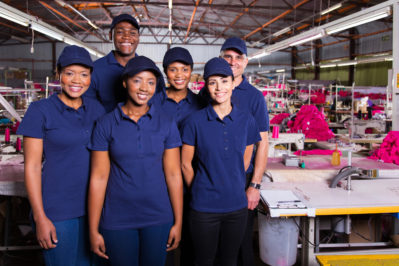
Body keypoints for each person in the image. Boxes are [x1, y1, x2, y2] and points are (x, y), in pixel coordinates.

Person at [88, 56, 183, 266]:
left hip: (158, 217)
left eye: (151, 82)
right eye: (137, 80)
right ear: (125, 82)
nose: (144, 88)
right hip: (117, 218)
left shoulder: (166, 123)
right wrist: (93, 229)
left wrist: (178, 221)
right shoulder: (106, 124)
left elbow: (174, 174)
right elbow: (99, 177)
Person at [17, 45, 106, 266]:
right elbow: (32, 167)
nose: (77, 80)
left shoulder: (98, 110)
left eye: (84, 74)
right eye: (69, 73)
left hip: (96, 207)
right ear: (58, 74)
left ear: (90, 78)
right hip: (57, 209)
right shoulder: (40, 110)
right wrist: (40, 216)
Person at [181, 57, 261, 266]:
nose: (219, 88)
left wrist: (231, 183)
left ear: (233, 83)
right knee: (204, 260)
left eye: (224, 81)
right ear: (206, 86)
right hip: (203, 208)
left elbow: (245, 160)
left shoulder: (247, 121)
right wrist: (199, 189)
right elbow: (185, 164)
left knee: (229, 260)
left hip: (236, 206)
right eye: (212, 82)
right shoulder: (194, 122)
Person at [219, 37, 270, 266]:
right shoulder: (210, 91)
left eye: (238, 57)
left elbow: (263, 143)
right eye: (228, 57)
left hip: (242, 180)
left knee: (241, 243)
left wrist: (255, 185)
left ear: (246, 62)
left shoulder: (254, 97)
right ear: (220, 59)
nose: (233, 62)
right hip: (213, 177)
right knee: (213, 243)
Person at [153, 47, 202, 266]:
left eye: (184, 69)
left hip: (193, 179)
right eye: (173, 70)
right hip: (161, 181)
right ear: (165, 72)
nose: (179, 75)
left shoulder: (201, 103)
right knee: (165, 242)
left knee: (193, 241)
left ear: (191, 71)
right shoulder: (153, 101)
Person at [84, 14, 141, 112]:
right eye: (120, 32)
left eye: (132, 33)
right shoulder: (94, 70)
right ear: (110, 35)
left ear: (138, 37)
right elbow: (88, 110)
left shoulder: (150, 71)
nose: (126, 36)